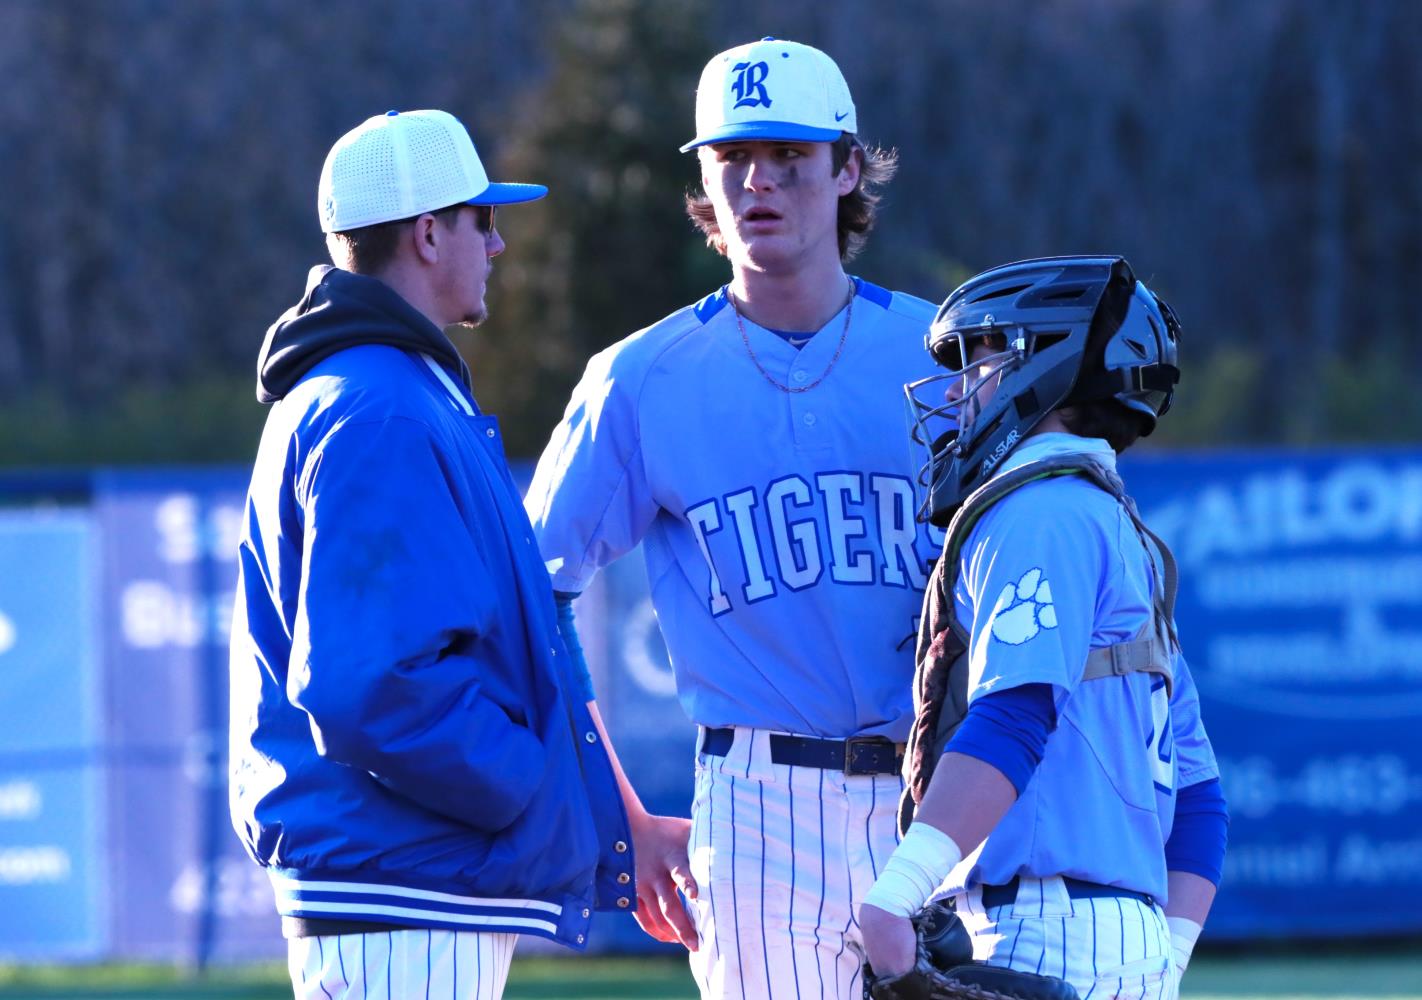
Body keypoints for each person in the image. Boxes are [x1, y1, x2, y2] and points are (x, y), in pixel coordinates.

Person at [524, 38, 948, 999]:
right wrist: (620, 813)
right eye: (731, 159)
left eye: (790, 158)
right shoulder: (639, 379)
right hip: (759, 810)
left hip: (938, 799)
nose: (758, 182)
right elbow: (530, 595)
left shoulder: (943, 358)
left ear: (847, 169)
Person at [229, 108, 633, 1000]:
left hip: (398, 881)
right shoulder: (379, 406)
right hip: (398, 887)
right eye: (481, 219)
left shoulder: (381, 387)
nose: (495, 243)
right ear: (425, 232)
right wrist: (523, 778)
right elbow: (368, 682)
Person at [860, 256, 1229, 1000]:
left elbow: (1014, 717)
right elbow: (1199, 799)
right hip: (1123, 939)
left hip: (1039, 930)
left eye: (982, 355)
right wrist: (1165, 961)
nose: (961, 389)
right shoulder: (1118, 529)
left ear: (1047, 363)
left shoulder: (1041, 512)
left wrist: (893, 896)